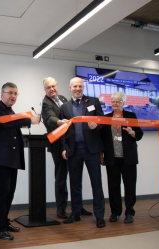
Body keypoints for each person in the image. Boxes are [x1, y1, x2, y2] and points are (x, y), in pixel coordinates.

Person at [0, 82, 40, 240]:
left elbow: (12, 124)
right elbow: (6, 122)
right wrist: (29, 121)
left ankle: (4, 222)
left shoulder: (10, 110)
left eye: (16, 93)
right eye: (10, 93)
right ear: (2, 95)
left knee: (8, 194)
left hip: (10, 160)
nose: (13, 96)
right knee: (1, 194)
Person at [41, 77, 92, 219]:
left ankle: (78, 207)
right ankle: (61, 208)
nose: (52, 89)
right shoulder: (45, 103)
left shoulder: (63, 98)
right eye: (48, 87)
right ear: (45, 90)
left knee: (76, 178)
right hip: (58, 145)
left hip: (71, 144)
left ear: (57, 86)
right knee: (61, 178)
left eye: (53, 86)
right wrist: (60, 122)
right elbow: (49, 118)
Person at [60, 77, 106, 228]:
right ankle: (75, 214)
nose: (78, 89)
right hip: (74, 151)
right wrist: (64, 148)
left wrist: (96, 126)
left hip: (91, 150)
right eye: (75, 86)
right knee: (75, 184)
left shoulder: (93, 102)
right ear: (70, 88)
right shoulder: (65, 107)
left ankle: (99, 216)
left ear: (83, 87)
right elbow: (62, 131)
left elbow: (102, 123)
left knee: (96, 184)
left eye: (80, 86)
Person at [100, 91, 143, 224]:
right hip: (112, 158)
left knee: (129, 186)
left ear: (123, 103)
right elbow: (101, 138)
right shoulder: (106, 118)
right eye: (113, 101)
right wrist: (101, 155)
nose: (115, 104)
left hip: (128, 158)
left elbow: (140, 135)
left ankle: (129, 212)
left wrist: (132, 132)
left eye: (118, 101)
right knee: (113, 187)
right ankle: (115, 212)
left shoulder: (131, 116)